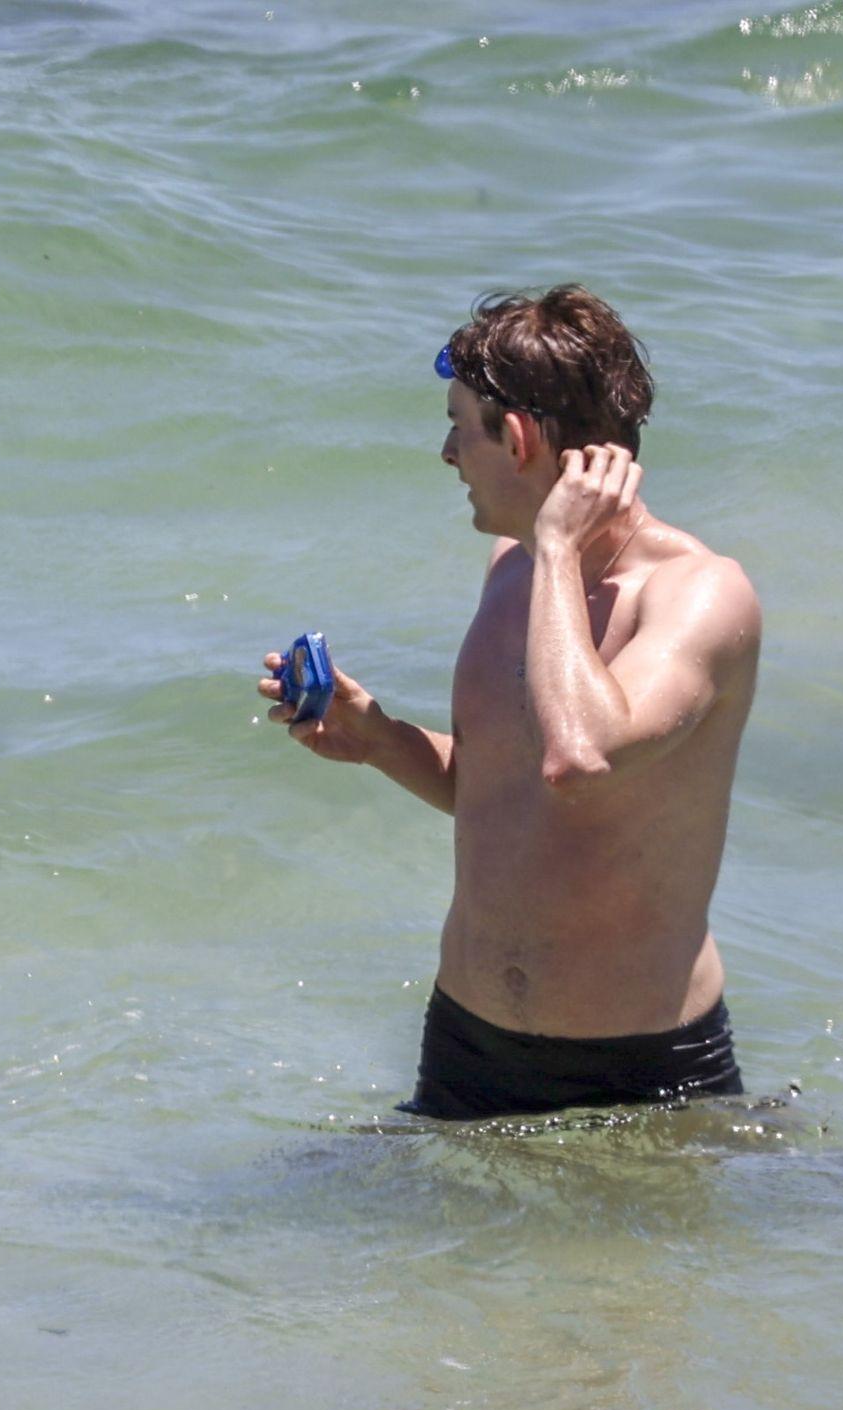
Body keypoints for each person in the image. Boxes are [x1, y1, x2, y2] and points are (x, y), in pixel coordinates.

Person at [260, 286, 761, 1120]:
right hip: (466, 1045)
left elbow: (580, 758)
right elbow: (502, 790)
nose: (446, 452)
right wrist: (379, 739)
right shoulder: (513, 568)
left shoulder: (699, 596)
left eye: (460, 426)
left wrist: (560, 547)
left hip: (638, 1073)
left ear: (519, 439)